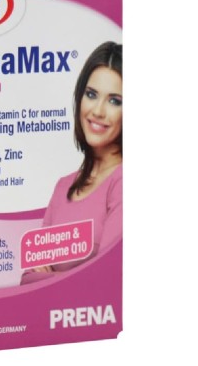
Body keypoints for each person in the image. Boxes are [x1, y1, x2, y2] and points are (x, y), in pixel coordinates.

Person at [21, 41, 122, 285]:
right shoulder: (63, 187)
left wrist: (49, 278)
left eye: (115, 101)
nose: (98, 111)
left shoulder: (123, 182)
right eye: (91, 95)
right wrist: (73, 280)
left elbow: (108, 280)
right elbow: (27, 280)